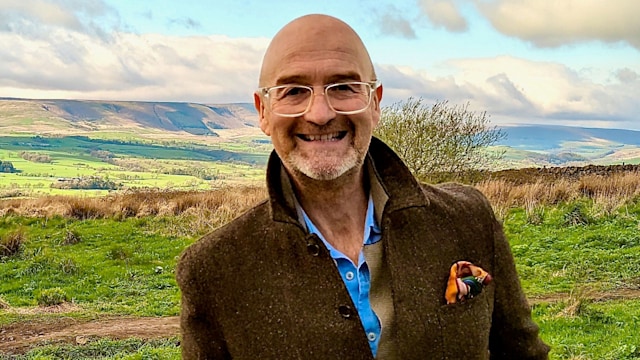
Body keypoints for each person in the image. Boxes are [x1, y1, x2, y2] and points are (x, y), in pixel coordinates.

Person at [176, 14, 550, 360]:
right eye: (293, 91)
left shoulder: (468, 219)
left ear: (375, 103)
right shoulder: (213, 269)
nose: (320, 113)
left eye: (343, 87)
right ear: (262, 111)